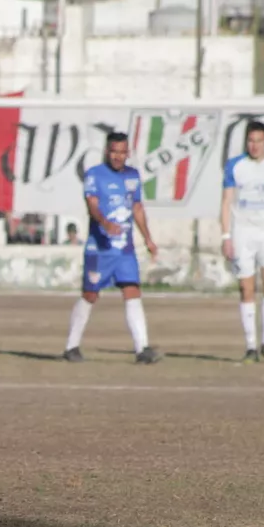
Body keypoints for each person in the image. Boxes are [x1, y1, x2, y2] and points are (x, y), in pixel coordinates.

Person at [63, 131, 162, 364]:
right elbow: (92, 205)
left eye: (122, 152)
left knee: (132, 290)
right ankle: (71, 346)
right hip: (99, 249)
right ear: (107, 152)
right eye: (114, 151)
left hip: (124, 250)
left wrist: (147, 238)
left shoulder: (132, 176)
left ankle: (142, 349)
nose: (118, 156)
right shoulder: (94, 175)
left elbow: (137, 208)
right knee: (90, 294)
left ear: (128, 153)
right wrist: (105, 222)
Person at [220, 120, 264, 363]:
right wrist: (226, 236)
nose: (254, 145)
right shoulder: (235, 166)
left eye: (259, 141)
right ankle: (250, 345)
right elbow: (226, 202)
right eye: (250, 140)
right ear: (246, 141)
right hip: (243, 232)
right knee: (246, 288)